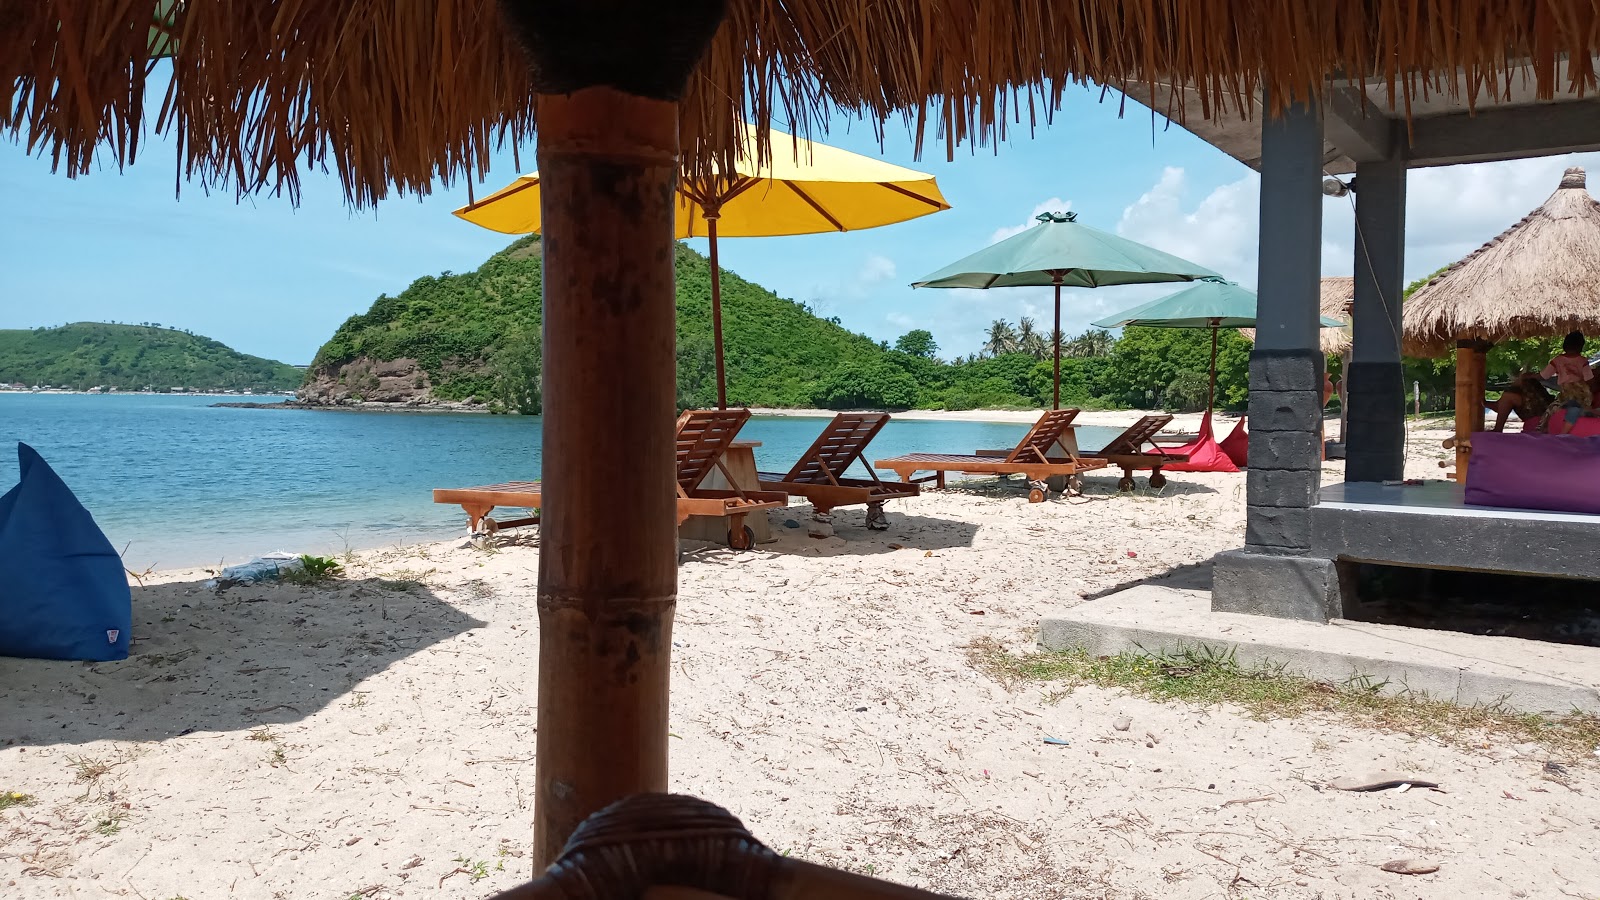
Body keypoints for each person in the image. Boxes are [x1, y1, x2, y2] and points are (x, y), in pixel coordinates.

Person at [1541, 331, 1593, 435]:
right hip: (1582, 394)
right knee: (1575, 407)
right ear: (1581, 346)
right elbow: (1589, 379)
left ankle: (1548, 432)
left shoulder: (1557, 360)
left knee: (1551, 411)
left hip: (1566, 393)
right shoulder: (1583, 361)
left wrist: (1530, 375)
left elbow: (1544, 375)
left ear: (1565, 345)